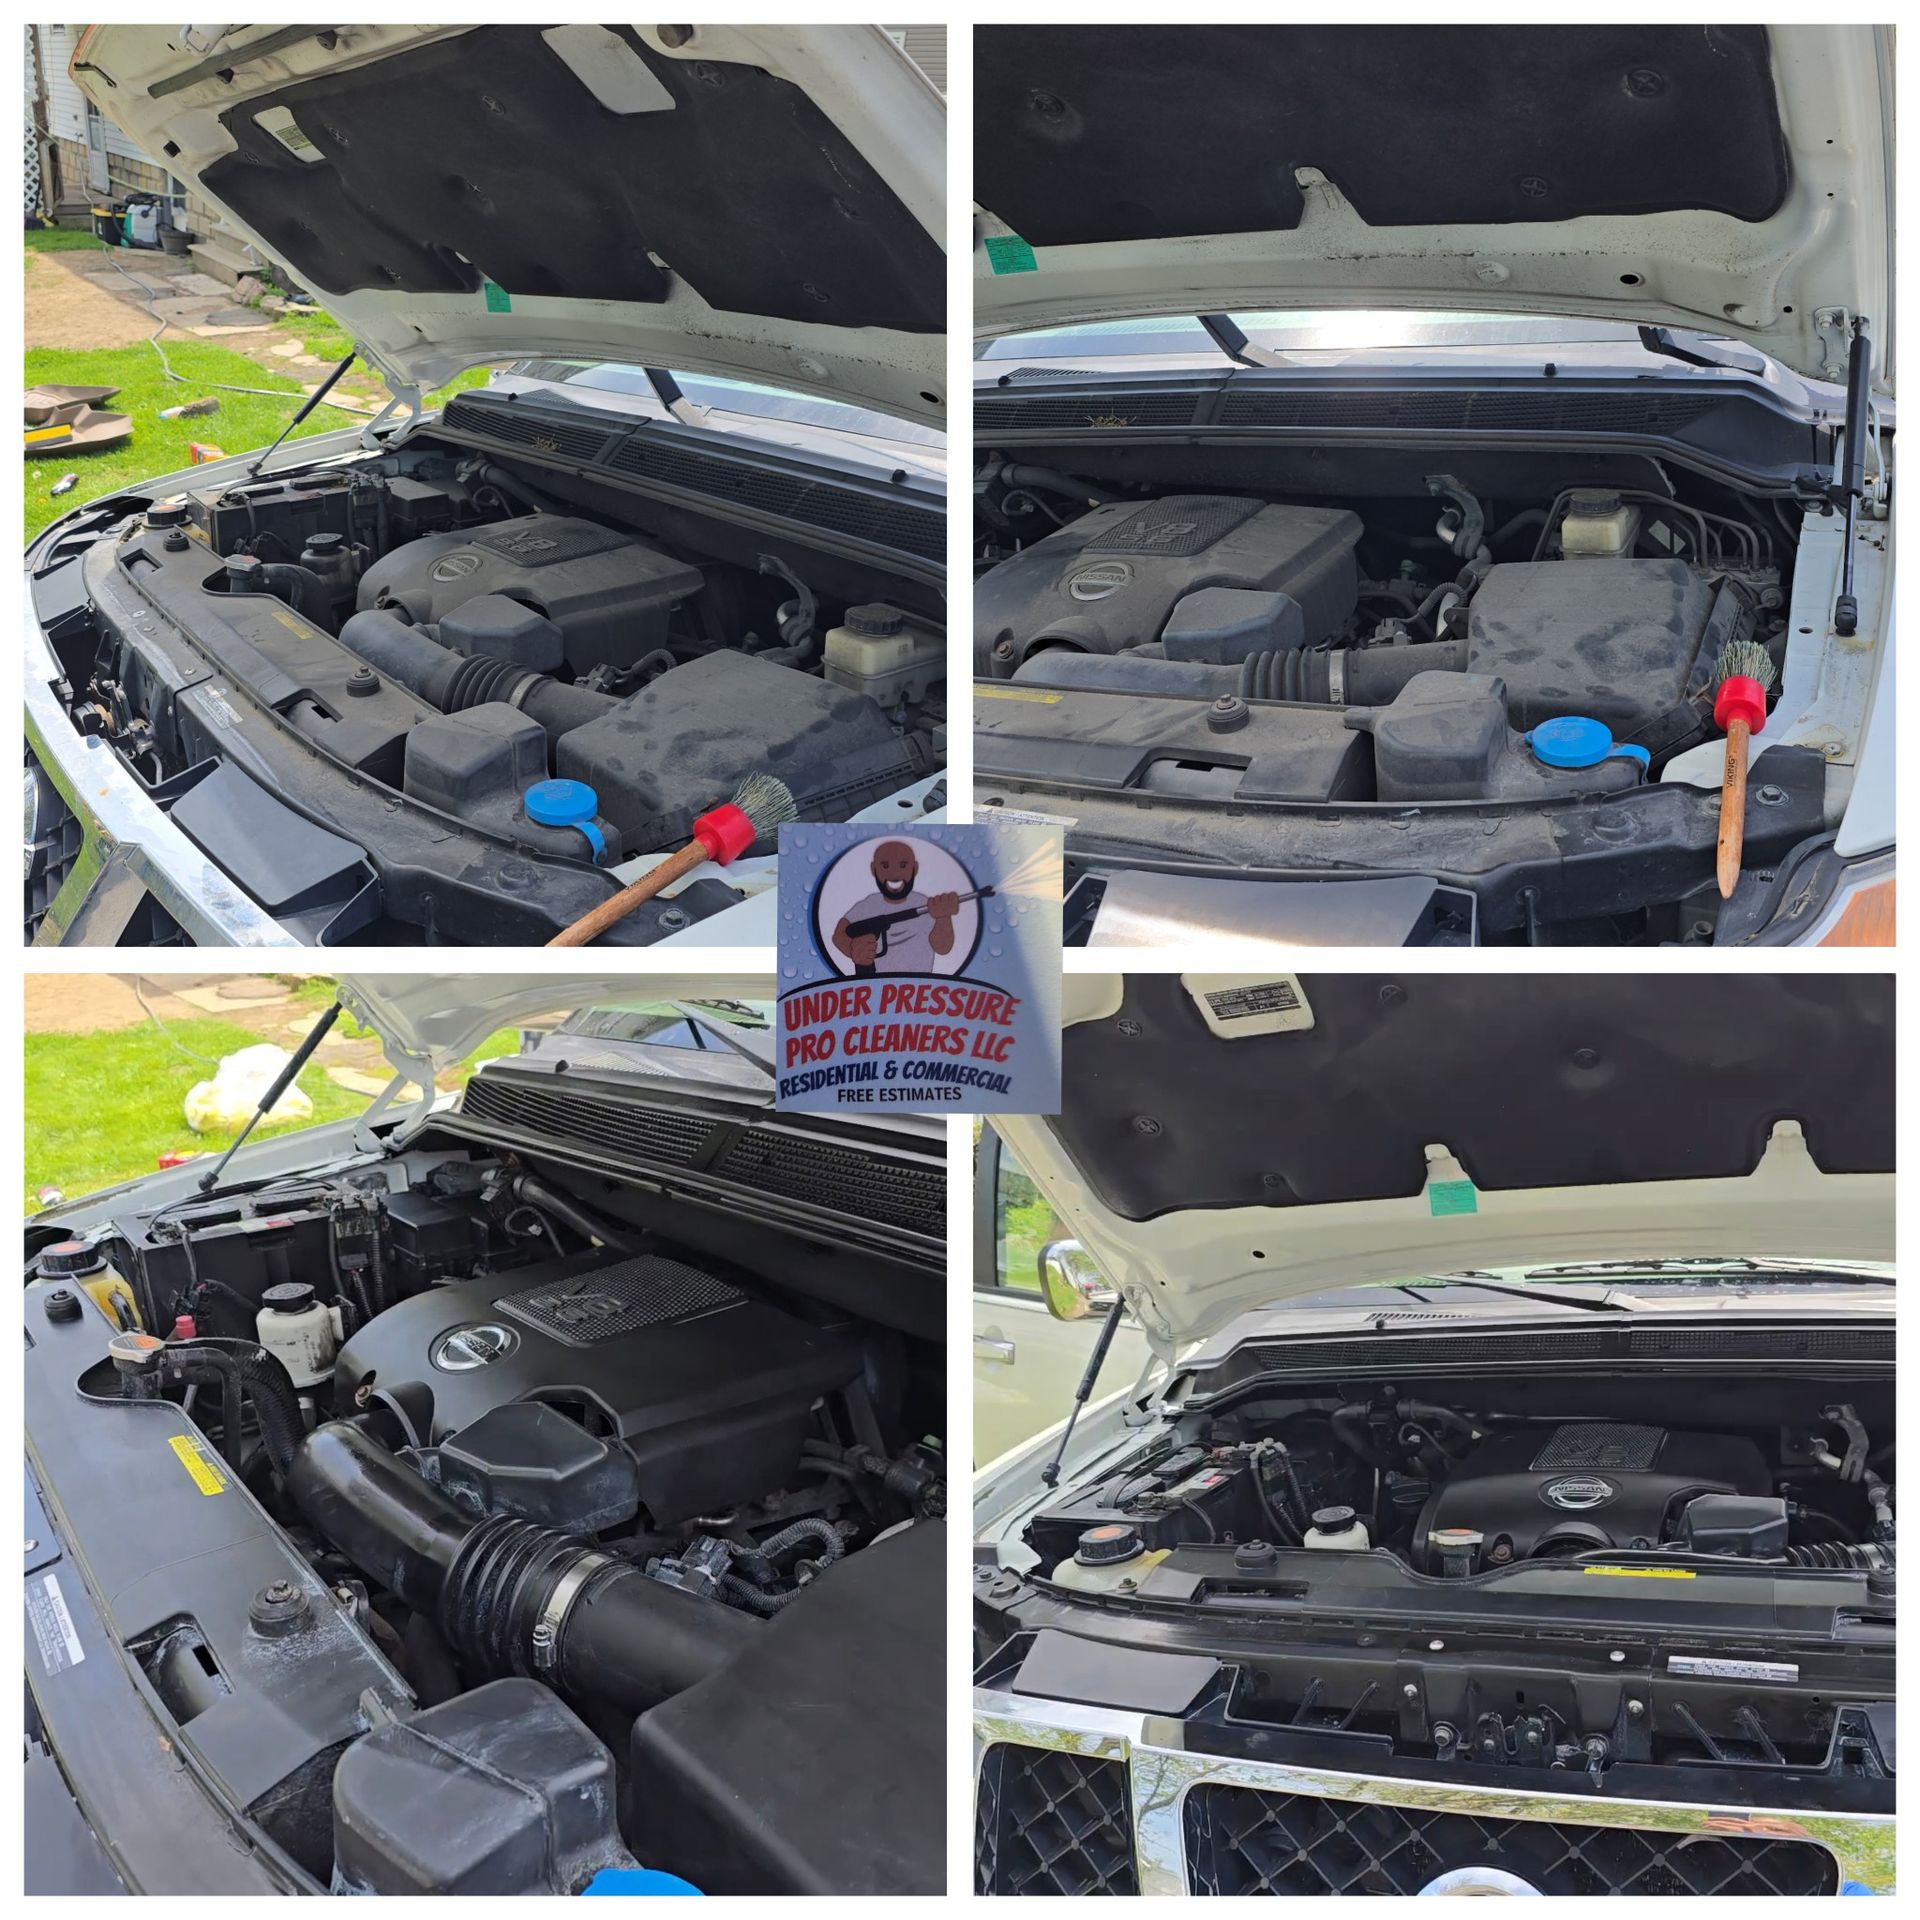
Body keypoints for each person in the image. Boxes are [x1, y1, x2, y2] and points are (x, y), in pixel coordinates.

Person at [830, 839, 959, 974]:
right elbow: (839, 935)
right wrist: (854, 951)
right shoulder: (869, 905)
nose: (894, 874)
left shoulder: (927, 904)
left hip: (919, 988)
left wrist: (944, 918)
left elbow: (943, 948)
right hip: (875, 988)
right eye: (885, 866)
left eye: (903, 865)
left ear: (914, 868)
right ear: (874, 869)